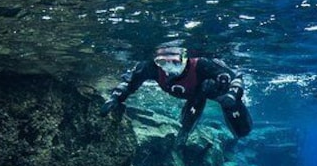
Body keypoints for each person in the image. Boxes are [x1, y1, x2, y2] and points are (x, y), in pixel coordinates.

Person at [100, 46, 252, 142]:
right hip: (194, 95)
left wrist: (232, 96)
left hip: (213, 91)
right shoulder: (150, 67)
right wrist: (115, 98)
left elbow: (235, 78)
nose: (168, 68)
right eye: (162, 62)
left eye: (174, 61)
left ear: (185, 57)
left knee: (241, 130)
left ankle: (228, 109)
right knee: (196, 98)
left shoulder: (202, 64)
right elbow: (130, 82)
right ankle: (185, 130)